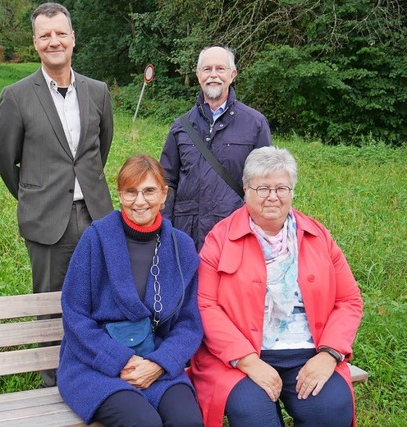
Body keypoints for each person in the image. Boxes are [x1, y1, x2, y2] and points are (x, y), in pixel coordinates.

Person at [189, 147, 363, 426]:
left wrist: (329, 354)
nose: (272, 196)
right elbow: (205, 305)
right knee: (254, 416)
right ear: (245, 190)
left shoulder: (318, 236)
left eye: (281, 188)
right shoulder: (219, 239)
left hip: (309, 352)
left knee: (332, 410)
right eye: (262, 188)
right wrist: (246, 360)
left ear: (292, 191)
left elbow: (348, 300)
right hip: (242, 356)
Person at [0, 2, 114, 386]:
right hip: (47, 220)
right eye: (45, 35)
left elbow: (100, 149)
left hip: (96, 215)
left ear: (73, 38)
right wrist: (39, 195)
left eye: (60, 33)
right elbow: (5, 161)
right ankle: (54, 382)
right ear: (35, 43)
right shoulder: (16, 95)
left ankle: (95, 375)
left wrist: (85, 187)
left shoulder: (97, 91)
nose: (54, 41)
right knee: (50, 305)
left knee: (99, 298)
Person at [58, 154, 204, 426]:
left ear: (164, 194)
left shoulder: (181, 247)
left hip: (157, 360)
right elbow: (75, 314)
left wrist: (160, 363)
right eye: (131, 192)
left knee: (188, 422)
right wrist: (120, 360)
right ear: (120, 195)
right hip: (93, 364)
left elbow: (189, 323)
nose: (139, 201)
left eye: (149, 191)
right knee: (143, 422)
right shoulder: (96, 238)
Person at [160, 46, 272, 251]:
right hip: (186, 237)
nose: (213, 75)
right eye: (207, 69)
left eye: (220, 69)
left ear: (233, 74)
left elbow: (266, 183)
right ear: (198, 75)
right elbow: (166, 182)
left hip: (234, 235)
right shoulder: (180, 127)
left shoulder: (255, 123)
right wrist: (165, 229)